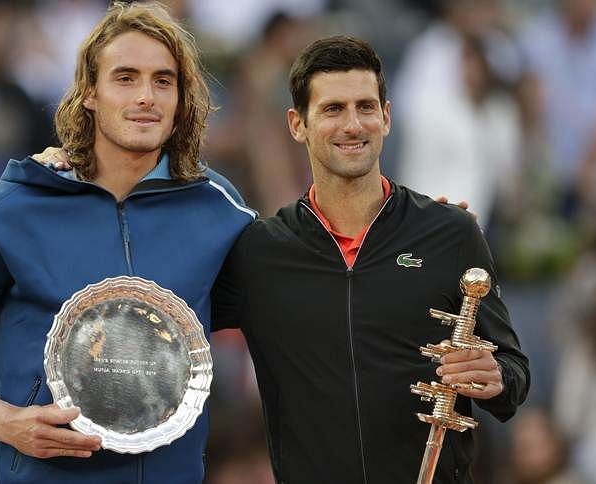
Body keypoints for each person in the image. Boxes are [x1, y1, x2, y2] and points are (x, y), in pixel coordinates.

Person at [0, 3, 254, 483]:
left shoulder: (220, 209)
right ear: (90, 93)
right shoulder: (16, 207)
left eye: (163, 81)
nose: (146, 96)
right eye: (125, 78)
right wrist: (2, 420)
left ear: (181, 98)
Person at [209, 36, 529, 483]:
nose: (353, 125)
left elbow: (513, 373)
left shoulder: (451, 233)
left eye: (365, 106)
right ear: (297, 124)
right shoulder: (259, 252)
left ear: (387, 117)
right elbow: (167, 325)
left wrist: (494, 376)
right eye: (333, 109)